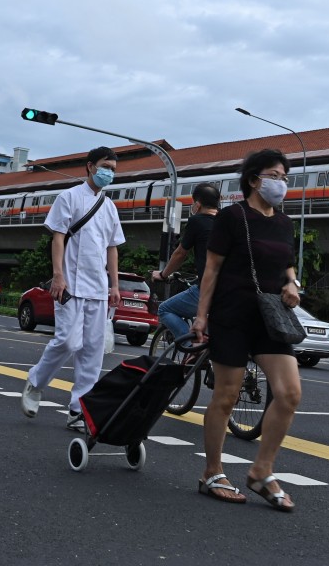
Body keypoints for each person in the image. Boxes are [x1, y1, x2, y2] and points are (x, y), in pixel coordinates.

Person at [191, 149, 302, 510]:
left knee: (289, 393)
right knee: (226, 395)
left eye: (285, 177)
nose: (281, 183)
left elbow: (287, 264)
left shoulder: (285, 223)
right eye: (274, 175)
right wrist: (201, 316)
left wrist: (292, 284)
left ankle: (261, 471)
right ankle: (212, 472)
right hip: (233, 314)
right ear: (254, 179)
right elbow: (211, 269)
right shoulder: (231, 217)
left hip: (270, 318)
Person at [21, 147, 125, 431]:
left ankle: (79, 410)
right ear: (90, 166)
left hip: (98, 288)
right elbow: (58, 238)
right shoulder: (69, 197)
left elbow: (112, 248)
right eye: (106, 166)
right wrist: (58, 275)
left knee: (93, 351)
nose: (110, 173)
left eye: (114, 169)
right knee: (67, 341)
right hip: (70, 285)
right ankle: (36, 381)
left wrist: (114, 285)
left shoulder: (110, 206)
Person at [150, 183, 222, 337]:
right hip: (230, 289)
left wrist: (163, 274)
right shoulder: (226, 222)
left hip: (208, 289)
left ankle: (192, 347)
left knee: (164, 309)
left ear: (197, 204)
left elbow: (180, 253)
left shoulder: (197, 221)